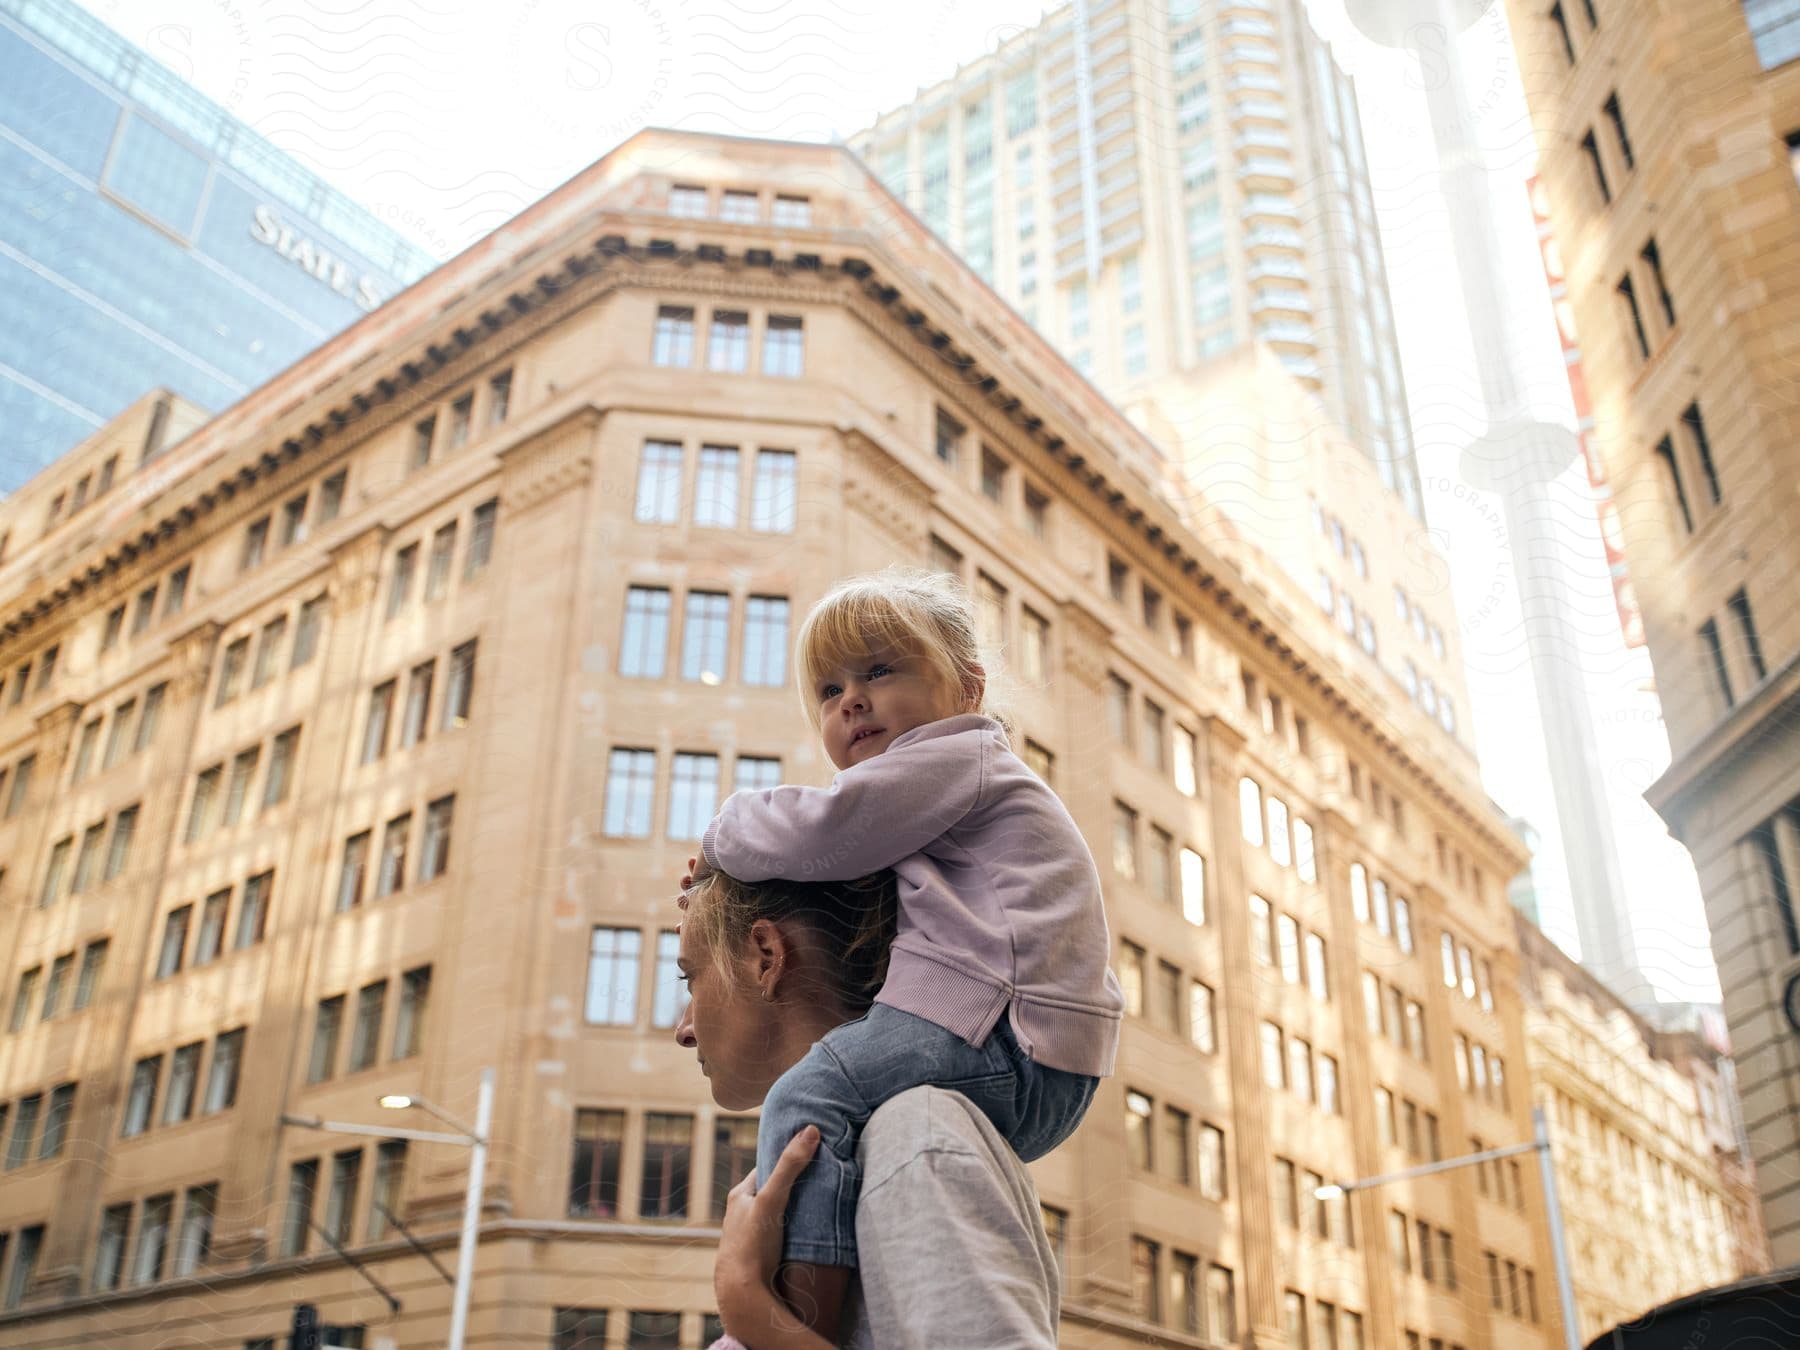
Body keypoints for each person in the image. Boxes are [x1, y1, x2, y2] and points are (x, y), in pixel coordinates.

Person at [689, 568, 1123, 1336]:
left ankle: (804, 1313)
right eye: (828, 691)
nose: (850, 699)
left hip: (1008, 1033)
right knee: (822, 1113)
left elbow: (829, 829)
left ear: (967, 689)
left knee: (807, 1098)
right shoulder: (939, 804)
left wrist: (725, 834)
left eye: (880, 671)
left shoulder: (960, 757)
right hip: (1028, 1042)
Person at [674, 867, 1061, 1348]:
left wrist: (747, 1304)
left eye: (689, 978)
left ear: (766, 957)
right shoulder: (861, 1155)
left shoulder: (916, 1134)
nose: (683, 1028)